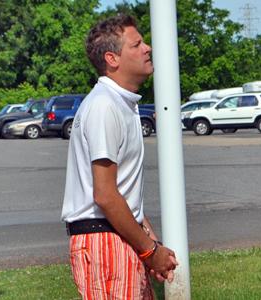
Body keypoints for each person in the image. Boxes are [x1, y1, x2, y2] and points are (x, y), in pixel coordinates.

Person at [61, 14, 178, 299]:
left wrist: (152, 243)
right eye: (136, 44)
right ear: (112, 59)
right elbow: (105, 195)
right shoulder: (104, 106)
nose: (147, 48)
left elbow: (126, 193)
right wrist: (150, 251)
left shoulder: (120, 104)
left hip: (120, 236)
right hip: (104, 240)